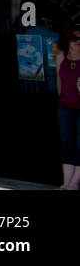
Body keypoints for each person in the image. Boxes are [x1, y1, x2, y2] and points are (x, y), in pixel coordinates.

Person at [53, 24, 80, 189]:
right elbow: (59, 83)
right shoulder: (61, 57)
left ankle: (75, 182)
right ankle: (67, 181)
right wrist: (62, 100)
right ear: (68, 40)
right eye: (75, 38)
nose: (78, 42)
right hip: (65, 105)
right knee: (67, 142)